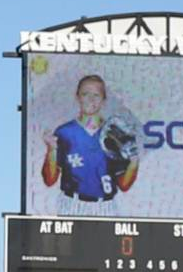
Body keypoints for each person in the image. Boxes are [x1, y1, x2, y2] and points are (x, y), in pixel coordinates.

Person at [40, 74, 139, 205]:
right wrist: (51, 150)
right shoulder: (64, 132)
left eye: (96, 95)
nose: (90, 99)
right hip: (72, 203)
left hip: (106, 206)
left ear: (104, 100)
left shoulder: (114, 134)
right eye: (85, 94)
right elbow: (49, 180)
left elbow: (124, 185)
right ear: (77, 97)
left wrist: (134, 161)